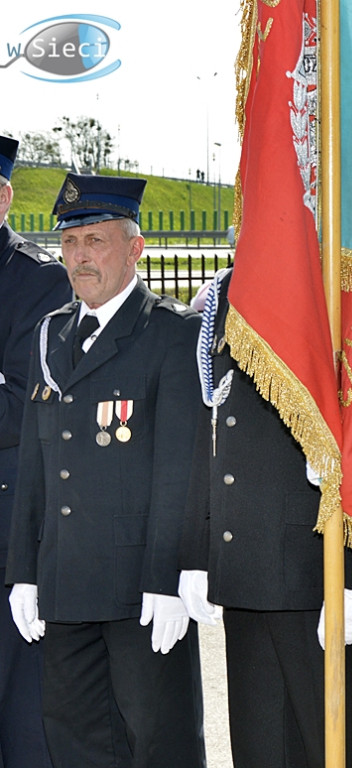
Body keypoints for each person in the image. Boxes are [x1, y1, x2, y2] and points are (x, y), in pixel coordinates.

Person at [5, 173, 206, 767]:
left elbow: (182, 469)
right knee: (76, 742)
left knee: (158, 743)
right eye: (69, 243)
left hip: (138, 591)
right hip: (64, 586)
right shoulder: (54, 334)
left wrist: (169, 577)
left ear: (135, 248)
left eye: (95, 240)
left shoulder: (173, 334)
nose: (80, 257)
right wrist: (24, 570)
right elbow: (39, 464)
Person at [178, 267, 352, 768]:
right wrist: (198, 550)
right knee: (259, 753)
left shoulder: (351, 287)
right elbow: (211, 427)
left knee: (333, 754)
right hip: (245, 578)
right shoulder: (229, 291)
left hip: (320, 578)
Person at [0, 135, 72, 768]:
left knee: (21, 719)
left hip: (8, 533)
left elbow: (23, 407)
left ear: (3, 197)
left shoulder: (38, 283)